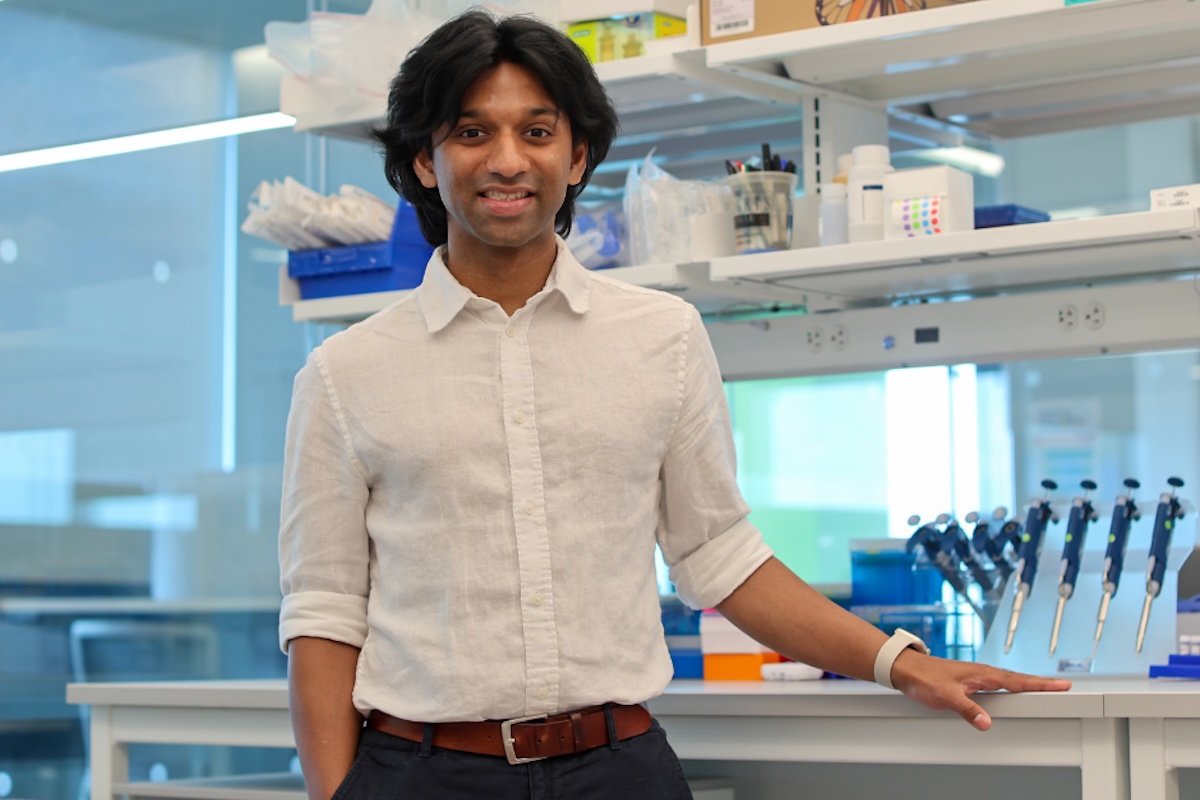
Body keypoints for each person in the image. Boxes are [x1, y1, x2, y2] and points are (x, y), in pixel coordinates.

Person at [278, 11, 1071, 800]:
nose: (509, 160)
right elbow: (324, 612)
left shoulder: (662, 336)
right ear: (425, 159)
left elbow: (724, 560)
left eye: (539, 131)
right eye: (473, 132)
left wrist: (899, 662)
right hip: (421, 775)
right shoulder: (346, 373)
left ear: (578, 155)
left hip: (618, 769)